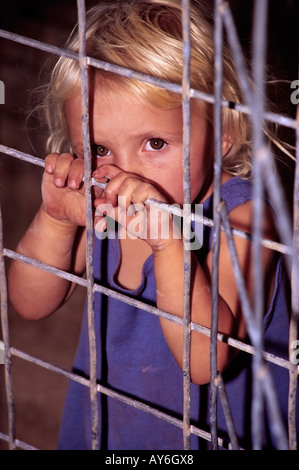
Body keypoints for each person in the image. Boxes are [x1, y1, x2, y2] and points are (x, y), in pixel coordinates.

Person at [8, 0, 295, 450]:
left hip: (211, 431)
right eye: (99, 148)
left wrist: (169, 245)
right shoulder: (103, 200)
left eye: (155, 143)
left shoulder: (244, 218)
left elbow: (204, 362)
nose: (126, 172)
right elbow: (29, 304)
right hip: (113, 416)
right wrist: (56, 220)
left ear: (221, 131)